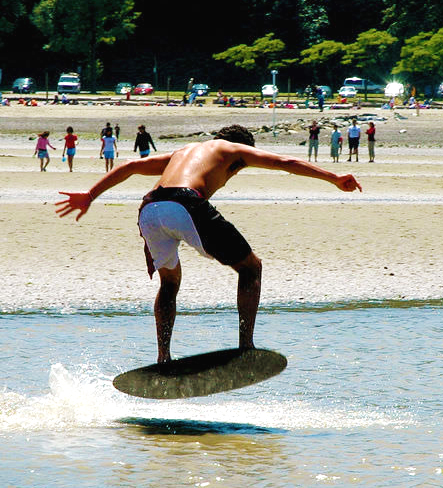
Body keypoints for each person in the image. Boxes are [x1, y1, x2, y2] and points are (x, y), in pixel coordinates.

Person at [55, 124, 362, 362]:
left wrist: (90, 195)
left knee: (169, 282)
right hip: (185, 203)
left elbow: (132, 166)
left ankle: (163, 357)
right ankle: (246, 348)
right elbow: (285, 161)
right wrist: (334, 178)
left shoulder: (184, 151)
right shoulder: (233, 149)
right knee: (251, 268)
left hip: (150, 209)